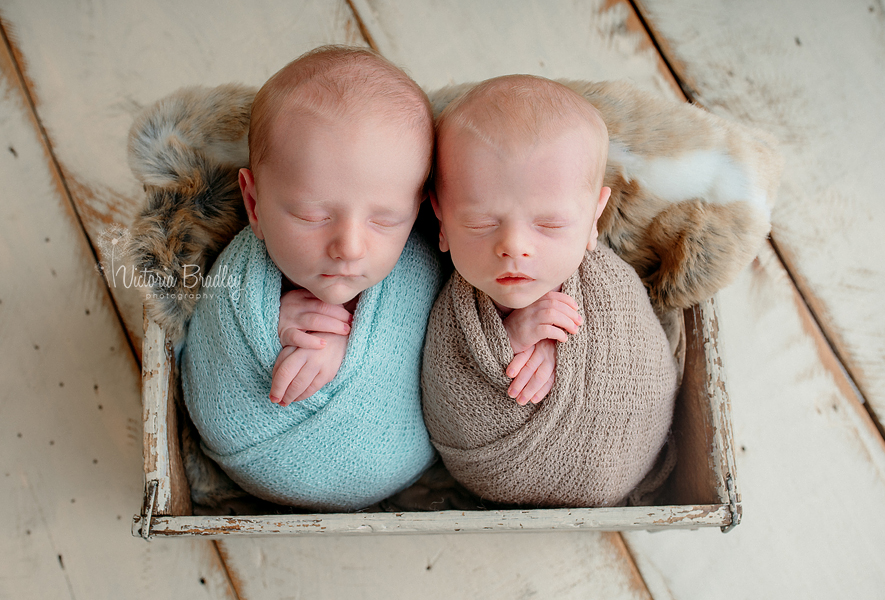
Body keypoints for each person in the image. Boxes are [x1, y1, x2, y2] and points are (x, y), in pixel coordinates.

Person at [180, 45, 441, 510]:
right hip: (261, 452)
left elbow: (444, 347)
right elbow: (212, 339)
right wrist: (271, 323)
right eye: (311, 215)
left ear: (420, 207)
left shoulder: (420, 269)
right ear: (255, 205)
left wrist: (347, 348)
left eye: (385, 220)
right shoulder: (241, 283)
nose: (350, 246)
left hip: (398, 450)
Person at [421, 74, 679, 508]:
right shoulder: (449, 310)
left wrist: (567, 350)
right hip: (494, 471)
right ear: (441, 220)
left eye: (550, 225)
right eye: (481, 224)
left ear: (594, 218)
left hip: (621, 449)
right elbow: (447, 391)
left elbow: (640, 361)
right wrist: (511, 340)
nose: (514, 247)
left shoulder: (610, 286)